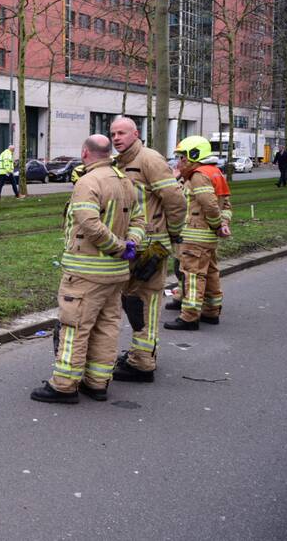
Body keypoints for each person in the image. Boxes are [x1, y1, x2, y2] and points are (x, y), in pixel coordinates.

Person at [31, 134, 144, 403]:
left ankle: (64, 385)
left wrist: (117, 245)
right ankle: (97, 382)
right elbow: (141, 219)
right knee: (107, 327)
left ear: (85, 153)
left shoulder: (87, 182)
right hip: (116, 274)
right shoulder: (124, 180)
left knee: (74, 326)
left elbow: (90, 224)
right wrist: (131, 244)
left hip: (85, 274)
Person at [108, 117, 187, 383]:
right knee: (133, 300)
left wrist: (173, 235)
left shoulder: (149, 159)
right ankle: (139, 354)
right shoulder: (119, 162)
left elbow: (175, 201)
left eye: (122, 133)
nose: (116, 137)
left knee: (145, 301)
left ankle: (142, 363)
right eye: (113, 133)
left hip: (151, 245)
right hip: (132, 246)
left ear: (136, 133)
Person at [164, 136, 232, 331]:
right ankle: (211, 311)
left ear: (195, 155)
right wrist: (223, 223)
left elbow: (208, 204)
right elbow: (225, 203)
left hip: (195, 236)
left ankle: (189, 317)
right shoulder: (215, 172)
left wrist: (217, 224)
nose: (179, 162)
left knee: (192, 275)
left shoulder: (198, 175)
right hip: (208, 238)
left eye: (182, 158)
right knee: (210, 274)